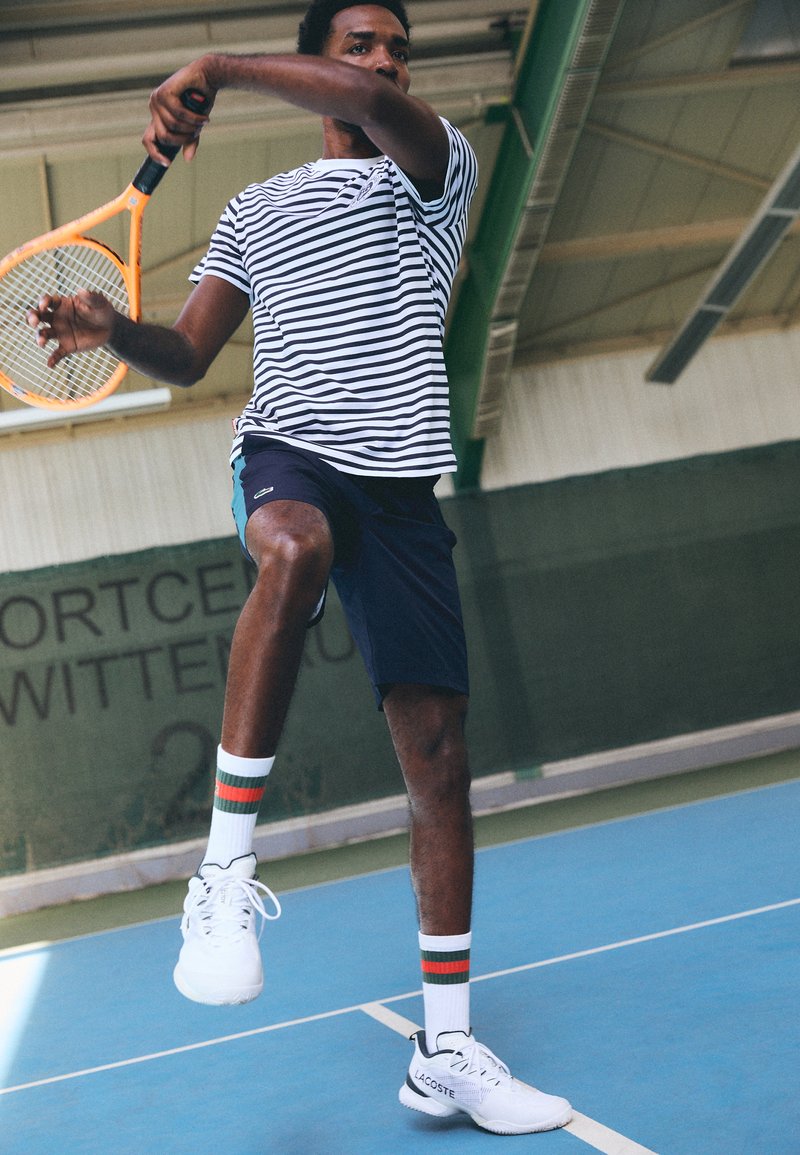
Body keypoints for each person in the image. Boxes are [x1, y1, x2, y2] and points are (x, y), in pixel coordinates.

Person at [27, 1, 572, 1136]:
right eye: (360, 45)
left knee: (436, 758)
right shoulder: (254, 208)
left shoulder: (434, 170)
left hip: (402, 481)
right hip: (289, 458)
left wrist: (219, 65)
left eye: (396, 49)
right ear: (316, 59)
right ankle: (221, 879)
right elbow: (187, 353)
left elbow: (374, 112)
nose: (383, 64)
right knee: (293, 546)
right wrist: (110, 327)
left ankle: (447, 1050)